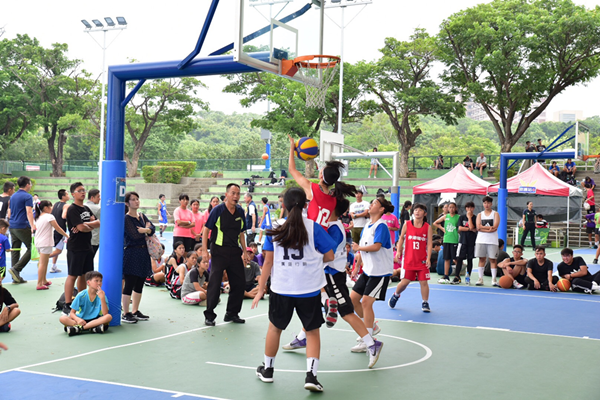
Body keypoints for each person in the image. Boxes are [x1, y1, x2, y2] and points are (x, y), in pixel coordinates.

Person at [251, 187, 338, 391]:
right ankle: (311, 377)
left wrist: (261, 288)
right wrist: (314, 260)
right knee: (312, 331)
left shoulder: (276, 227)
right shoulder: (313, 227)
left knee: (275, 328)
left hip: (282, 288)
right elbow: (330, 256)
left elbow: (268, 262)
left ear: (284, 205)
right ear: (306, 205)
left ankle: (268, 371)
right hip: (309, 288)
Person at [350, 197, 394, 352]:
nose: (371, 204)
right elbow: (362, 247)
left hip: (380, 272)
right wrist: (356, 267)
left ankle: (367, 340)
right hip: (368, 271)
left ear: (382, 209)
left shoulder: (381, 226)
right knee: (353, 300)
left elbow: (375, 247)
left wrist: (359, 249)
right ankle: (372, 325)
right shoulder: (367, 225)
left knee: (366, 303)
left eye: (375, 203)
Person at [202, 183, 249, 326]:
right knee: (215, 283)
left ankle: (231, 313)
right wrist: (205, 250)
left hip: (235, 251)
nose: (236, 196)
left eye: (238, 193)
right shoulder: (217, 210)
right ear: (227, 194)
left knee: (239, 283)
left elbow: (241, 233)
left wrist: (245, 251)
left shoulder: (240, 211)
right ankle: (209, 315)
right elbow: (206, 230)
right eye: (233, 193)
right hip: (218, 251)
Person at [287, 134, 357, 229]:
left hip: (310, 236)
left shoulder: (312, 188)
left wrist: (292, 148)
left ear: (321, 175)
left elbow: (292, 170)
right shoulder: (333, 199)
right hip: (322, 236)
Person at [62, 182, 100, 316]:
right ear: (73, 194)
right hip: (75, 247)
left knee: (84, 275)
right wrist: (86, 225)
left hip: (87, 246)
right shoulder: (72, 209)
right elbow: (81, 227)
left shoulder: (86, 208)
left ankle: (81, 299)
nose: (83, 192)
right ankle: (67, 304)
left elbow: (97, 223)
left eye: (84, 190)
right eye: (79, 191)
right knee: (72, 275)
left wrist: (85, 224)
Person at [390, 202, 432, 312]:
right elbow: (401, 238)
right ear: (413, 212)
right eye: (415, 210)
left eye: (420, 210)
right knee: (405, 282)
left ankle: (425, 302)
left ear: (425, 213)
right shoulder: (407, 224)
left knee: (423, 282)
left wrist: (428, 258)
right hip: (409, 259)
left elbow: (430, 244)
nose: (417, 212)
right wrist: (399, 250)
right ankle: (396, 295)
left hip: (422, 260)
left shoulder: (427, 227)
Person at [121, 191, 155, 324]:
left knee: (140, 282)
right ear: (127, 203)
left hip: (143, 253)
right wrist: (146, 230)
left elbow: (152, 228)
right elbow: (134, 235)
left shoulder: (142, 216)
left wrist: (145, 230)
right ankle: (126, 312)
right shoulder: (126, 218)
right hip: (132, 253)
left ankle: (135, 310)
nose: (136, 201)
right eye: (133, 199)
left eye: (137, 199)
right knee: (129, 282)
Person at [58, 271, 112, 336]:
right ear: (88, 282)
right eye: (96, 281)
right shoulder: (81, 295)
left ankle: (80, 328)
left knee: (108, 317)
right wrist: (78, 320)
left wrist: (102, 298)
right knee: (62, 318)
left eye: (100, 281)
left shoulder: (102, 295)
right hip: (81, 319)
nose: (99, 283)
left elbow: (105, 313)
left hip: (94, 320)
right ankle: (92, 328)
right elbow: (72, 313)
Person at [34, 201, 69, 290]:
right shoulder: (49, 216)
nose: (52, 208)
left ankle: (44, 280)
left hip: (38, 241)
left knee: (44, 262)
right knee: (43, 263)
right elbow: (57, 228)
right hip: (45, 242)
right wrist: (67, 235)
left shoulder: (38, 217)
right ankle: (39, 283)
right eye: (50, 207)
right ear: (46, 208)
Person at [7, 176, 35, 284]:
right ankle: (16, 269)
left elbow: (9, 212)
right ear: (27, 184)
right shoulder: (27, 197)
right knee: (32, 248)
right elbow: (29, 212)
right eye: (30, 184)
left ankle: (15, 277)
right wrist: (32, 225)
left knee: (16, 250)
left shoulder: (13, 196)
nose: (31, 186)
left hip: (12, 225)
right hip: (22, 225)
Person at [475, 196, 500, 286]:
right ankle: (480, 278)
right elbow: (478, 226)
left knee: (493, 259)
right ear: (483, 204)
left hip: (492, 241)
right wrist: (488, 229)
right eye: (485, 203)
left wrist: (483, 228)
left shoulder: (495, 214)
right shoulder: (480, 214)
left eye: (488, 203)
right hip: (481, 240)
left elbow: (495, 227)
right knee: (481, 259)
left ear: (491, 204)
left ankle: (494, 279)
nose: (486, 205)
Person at [434, 202, 460, 284]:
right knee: (446, 258)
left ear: (455, 208)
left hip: (455, 240)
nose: (451, 209)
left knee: (456, 259)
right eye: (450, 207)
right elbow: (435, 223)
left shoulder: (458, 217)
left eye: (453, 207)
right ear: (447, 209)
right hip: (446, 239)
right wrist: (443, 229)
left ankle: (457, 276)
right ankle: (446, 275)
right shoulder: (445, 216)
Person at [453, 201, 477, 285]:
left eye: (471, 207)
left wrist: (470, 217)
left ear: (473, 208)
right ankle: (457, 277)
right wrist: (470, 229)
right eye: (468, 207)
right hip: (462, 241)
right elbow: (460, 228)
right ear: (466, 208)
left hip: (471, 241)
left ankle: (468, 276)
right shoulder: (462, 217)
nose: (469, 209)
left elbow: (472, 226)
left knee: (470, 259)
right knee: (459, 259)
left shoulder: (475, 218)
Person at [50, 189, 70, 273]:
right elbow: (64, 216)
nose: (69, 195)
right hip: (60, 229)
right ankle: (43, 258)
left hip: (53, 228)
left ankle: (53, 266)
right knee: (59, 250)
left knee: (57, 248)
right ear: (63, 196)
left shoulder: (55, 204)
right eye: (67, 194)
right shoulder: (66, 206)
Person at [85, 189, 101, 258]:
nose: (99, 199)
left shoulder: (82, 206)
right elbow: (101, 223)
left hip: (83, 238)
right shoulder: (97, 209)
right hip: (94, 239)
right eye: (98, 197)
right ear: (92, 197)